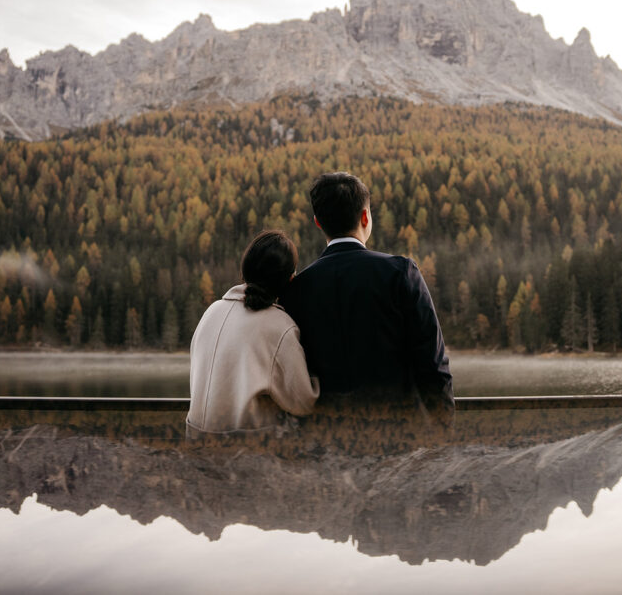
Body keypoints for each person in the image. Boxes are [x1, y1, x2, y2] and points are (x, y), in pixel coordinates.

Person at [280, 172, 453, 423]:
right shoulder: (400, 273)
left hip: (325, 447)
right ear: (365, 216)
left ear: (318, 222)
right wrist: (443, 433)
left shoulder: (296, 290)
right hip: (398, 441)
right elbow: (433, 365)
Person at [186, 230, 319, 437]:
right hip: (244, 451)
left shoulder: (211, 311)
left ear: (245, 270)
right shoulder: (280, 326)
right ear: (290, 279)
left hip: (195, 441)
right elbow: (303, 403)